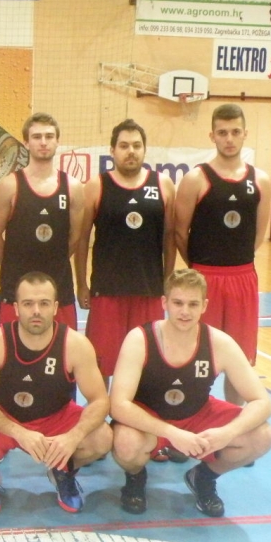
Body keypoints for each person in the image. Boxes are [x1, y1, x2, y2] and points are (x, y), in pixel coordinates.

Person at [109, 268, 271, 518]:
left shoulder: (219, 342)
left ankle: (204, 477)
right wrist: (172, 433)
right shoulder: (140, 339)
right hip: (150, 420)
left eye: (193, 304)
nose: (185, 311)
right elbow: (119, 405)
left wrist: (227, 433)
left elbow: (262, 402)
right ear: (164, 302)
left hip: (197, 414)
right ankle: (135, 477)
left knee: (262, 436)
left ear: (204, 306)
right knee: (125, 444)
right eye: (178, 303)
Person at [0, 272, 112, 516]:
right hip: (7, 418)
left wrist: (73, 436)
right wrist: (19, 433)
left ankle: (63, 469)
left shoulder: (75, 344)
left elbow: (100, 400)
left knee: (102, 438)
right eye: (28, 304)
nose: (36, 311)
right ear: (16, 308)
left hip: (55, 417)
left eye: (44, 303)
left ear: (55, 307)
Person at [174, 103, 271, 405]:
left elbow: (257, 236)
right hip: (204, 277)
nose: (229, 138)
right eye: (222, 132)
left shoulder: (261, 181)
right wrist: (198, 269)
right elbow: (180, 233)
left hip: (243, 278)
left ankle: (232, 423)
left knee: (239, 360)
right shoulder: (195, 179)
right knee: (195, 355)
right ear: (212, 136)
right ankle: (188, 419)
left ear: (245, 134)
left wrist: (235, 264)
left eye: (235, 132)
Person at [75, 119, 175, 383]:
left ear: (144, 149)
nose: (131, 151)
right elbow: (82, 239)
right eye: (124, 146)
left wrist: (168, 281)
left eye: (136, 146)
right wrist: (81, 284)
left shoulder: (163, 185)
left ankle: (137, 410)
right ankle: (102, 409)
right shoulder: (96, 186)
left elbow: (169, 238)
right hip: (107, 291)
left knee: (147, 366)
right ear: (112, 150)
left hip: (149, 290)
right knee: (101, 366)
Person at [0, 112, 84, 329]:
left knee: (63, 348)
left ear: (57, 141)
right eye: (37, 137)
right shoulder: (9, 186)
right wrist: (12, 265)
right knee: (9, 347)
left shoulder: (73, 188)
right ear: (26, 142)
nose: (43, 142)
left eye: (49, 136)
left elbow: (75, 237)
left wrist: (53, 261)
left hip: (59, 285)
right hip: (16, 286)